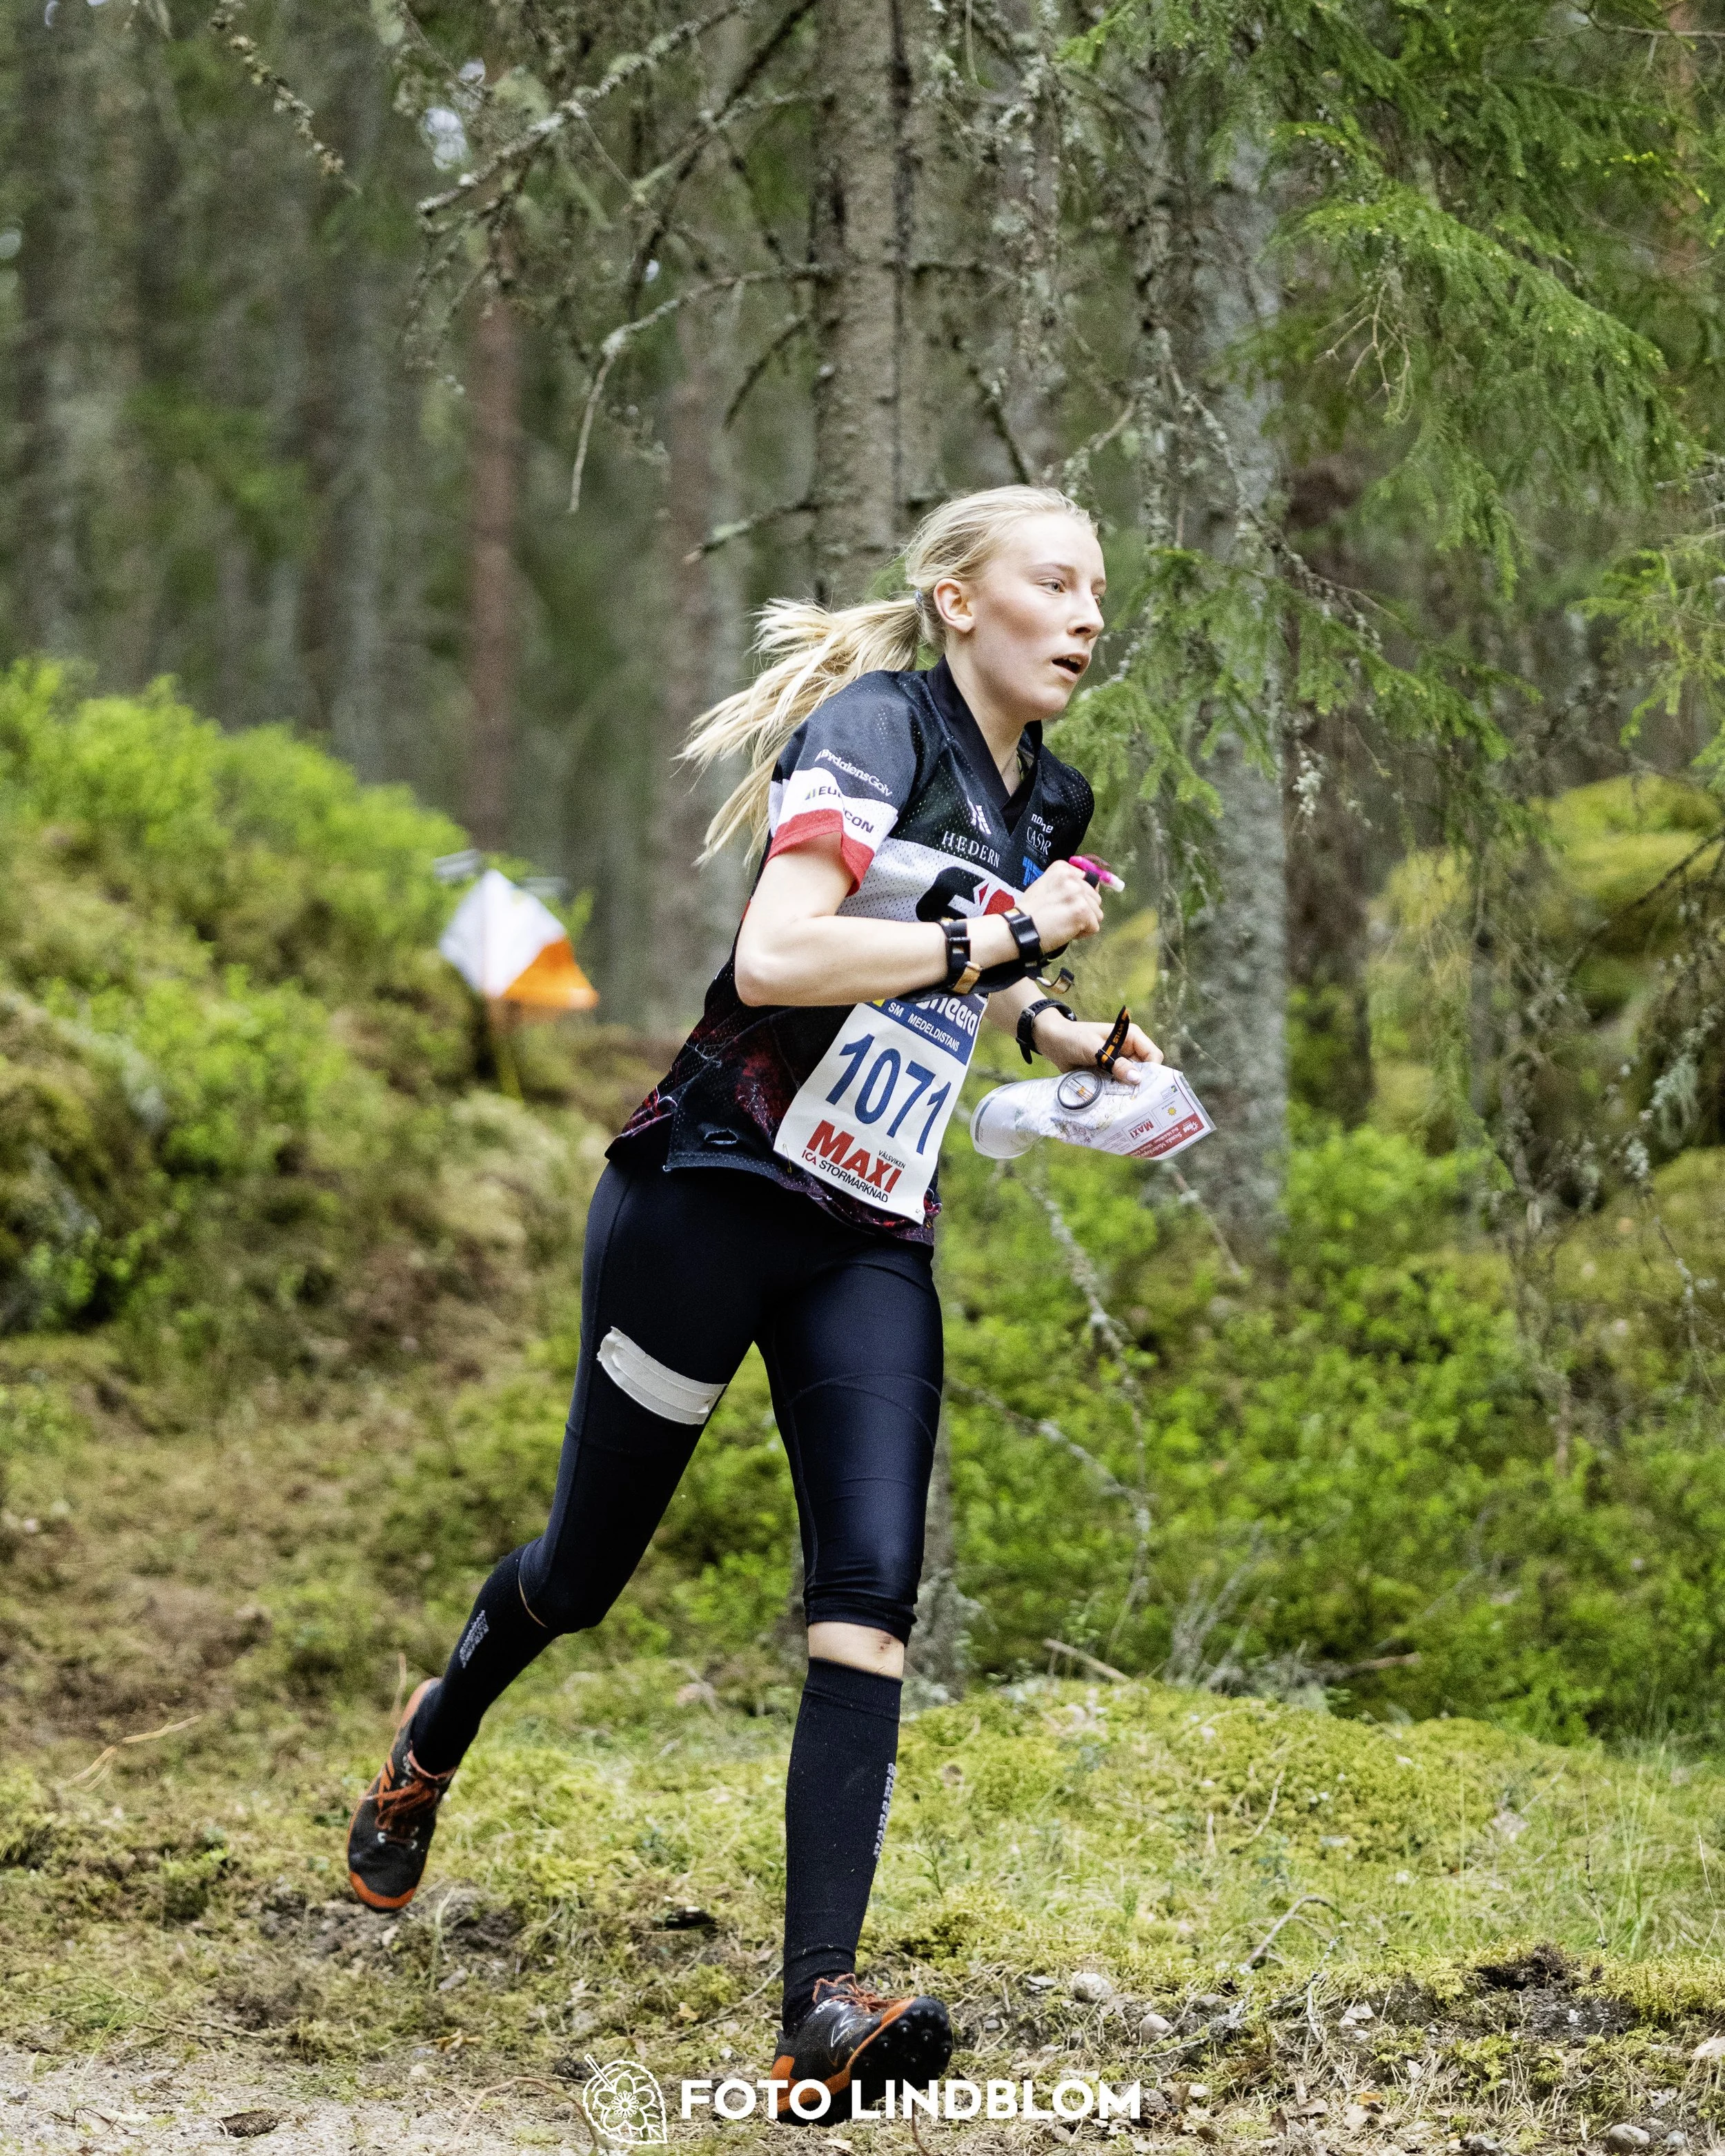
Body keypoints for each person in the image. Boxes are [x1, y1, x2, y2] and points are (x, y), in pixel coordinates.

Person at [345, 484, 1161, 2115]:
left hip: (866, 1227)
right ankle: (433, 1734)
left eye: (1094, 589)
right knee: (581, 1573)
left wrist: (1063, 1034)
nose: (1082, 614)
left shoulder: (1046, 788)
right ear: (955, 601)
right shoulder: (874, 726)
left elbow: (964, 974)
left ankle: (818, 2010)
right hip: (707, 1197)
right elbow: (785, 956)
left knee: (866, 1600)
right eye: (1049, 582)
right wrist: (1000, 929)